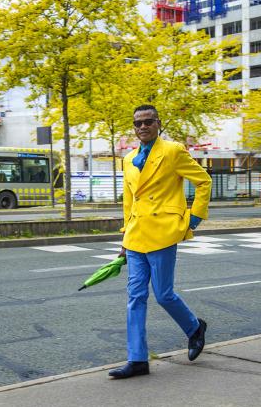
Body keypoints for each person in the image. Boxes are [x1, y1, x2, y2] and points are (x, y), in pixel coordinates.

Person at [109, 104, 212, 379]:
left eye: (148, 122)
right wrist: (124, 238)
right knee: (135, 297)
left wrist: (193, 219)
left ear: (158, 123)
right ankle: (138, 360)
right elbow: (130, 201)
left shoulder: (173, 151)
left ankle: (194, 328)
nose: (142, 127)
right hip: (135, 236)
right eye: (137, 123)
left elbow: (204, 182)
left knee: (164, 294)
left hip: (164, 232)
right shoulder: (128, 159)